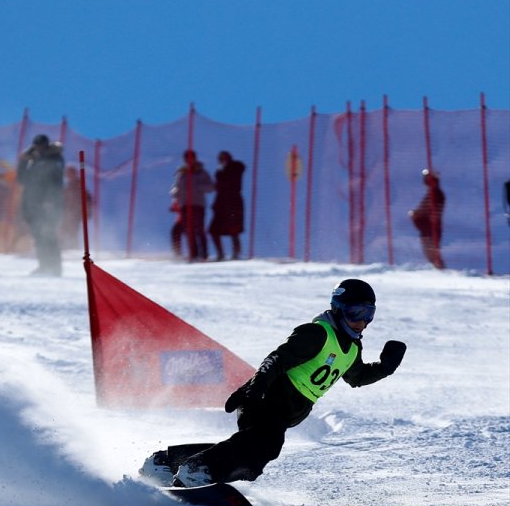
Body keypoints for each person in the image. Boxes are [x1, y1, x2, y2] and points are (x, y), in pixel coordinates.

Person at [140, 278, 407, 488]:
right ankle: (198, 469)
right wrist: (256, 390)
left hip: (284, 411)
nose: (362, 322)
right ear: (337, 308)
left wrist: (385, 368)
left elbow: (357, 377)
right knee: (262, 445)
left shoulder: (350, 349)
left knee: (253, 458)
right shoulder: (316, 333)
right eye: (355, 312)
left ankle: (168, 463)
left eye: (368, 314)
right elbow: (276, 359)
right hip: (267, 398)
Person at [16, 134, 65, 276]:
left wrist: (50, 200)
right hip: (34, 205)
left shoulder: (54, 159)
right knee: (39, 237)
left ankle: (54, 268)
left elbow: (55, 182)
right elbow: (23, 179)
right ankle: (44, 266)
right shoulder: (37, 162)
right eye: (36, 147)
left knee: (48, 235)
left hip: (49, 206)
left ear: (47, 146)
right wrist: (24, 161)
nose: (39, 149)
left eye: (42, 146)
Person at [170, 149, 214, 262]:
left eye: (191, 158)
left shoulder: (202, 172)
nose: (189, 160)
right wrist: (175, 194)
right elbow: (176, 188)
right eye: (187, 158)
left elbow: (211, 187)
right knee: (188, 231)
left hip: (198, 205)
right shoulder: (182, 173)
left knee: (199, 229)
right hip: (185, 205)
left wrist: (198, 187)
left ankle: (203, 255)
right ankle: (193, 254)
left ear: (195, 158)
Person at [209, 150, 246, 261]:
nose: (222, 161)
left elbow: (237, 172)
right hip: (221, 204)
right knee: (214, 230)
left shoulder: (235, 168)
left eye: (223, 158)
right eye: (220, 159)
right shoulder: (220, 171)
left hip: (233, 203)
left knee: (233, 230)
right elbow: (219, 187)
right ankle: (220, 254)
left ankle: (236, 254)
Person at [409, 169, 446, 269]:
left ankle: (442, 272)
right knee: (431, 255)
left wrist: (415, 214)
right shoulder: (433, 194)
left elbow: (426, 211)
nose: (426, 182)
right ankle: (440, 271)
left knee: (433, 255)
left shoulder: (436, 194)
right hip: (428, 229)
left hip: (430, 229)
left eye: (428, 180)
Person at [60, 165, 93, 250]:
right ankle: (68, 248)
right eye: (67, 174)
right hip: (67, 214)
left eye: (70, 174)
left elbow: (88, 201)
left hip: (75, 214)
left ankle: (72, 249)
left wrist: (87, 214)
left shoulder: (79, 186)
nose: (68, 176)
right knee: (65, 232)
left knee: (71, 232)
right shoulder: (69, 186)